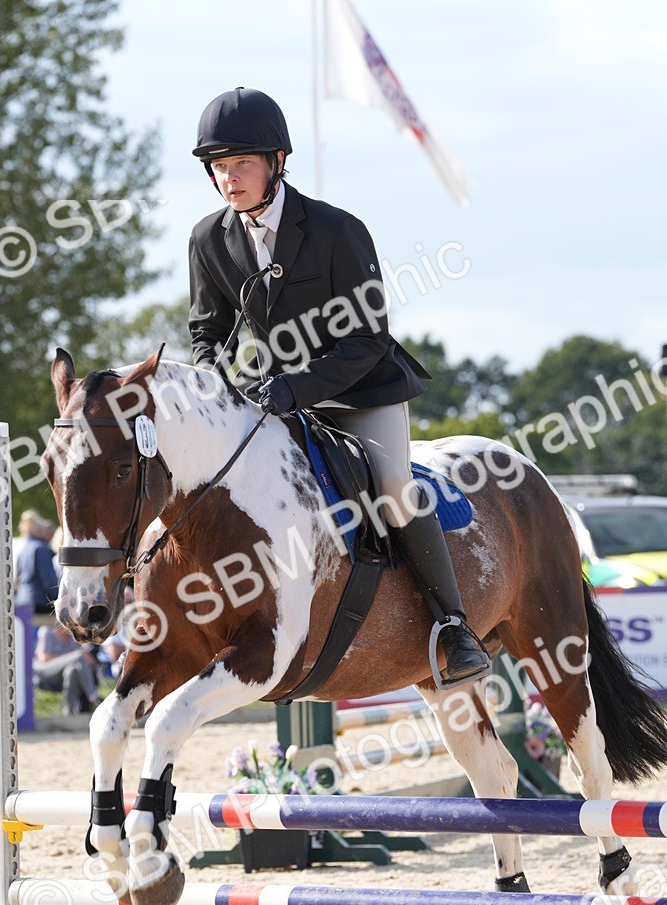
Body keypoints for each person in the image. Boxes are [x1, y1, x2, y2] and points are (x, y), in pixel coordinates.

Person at [188, 87, 489, 683]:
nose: (228, 178)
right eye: (218, 167)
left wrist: (293, 389)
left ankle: (453, 627)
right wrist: (217, 387)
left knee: (396, 488)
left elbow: (368, 338)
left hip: (360, 392)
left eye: (241, 163)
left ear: (277, 161)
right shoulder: (208, 239)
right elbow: (206, 331)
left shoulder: (336, 230)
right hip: (274, 396)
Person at [33, 624, 100, 716]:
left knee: (72, 670)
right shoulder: (47, 632)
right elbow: (44, 658)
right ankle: (93, 697)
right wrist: (71, 657)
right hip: (45, 672)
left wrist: (87, 655)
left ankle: (69, 712)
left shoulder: (74, 638)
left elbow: (90, 660)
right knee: (78, 656)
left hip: (63, 675)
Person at [14, 510, 59, 616]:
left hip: (21, 601)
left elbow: (17, 578)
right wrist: (58, 599)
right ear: (38, 529)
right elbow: (49, 581)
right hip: (39, 603)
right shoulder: (40, 548)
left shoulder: (22, 548)